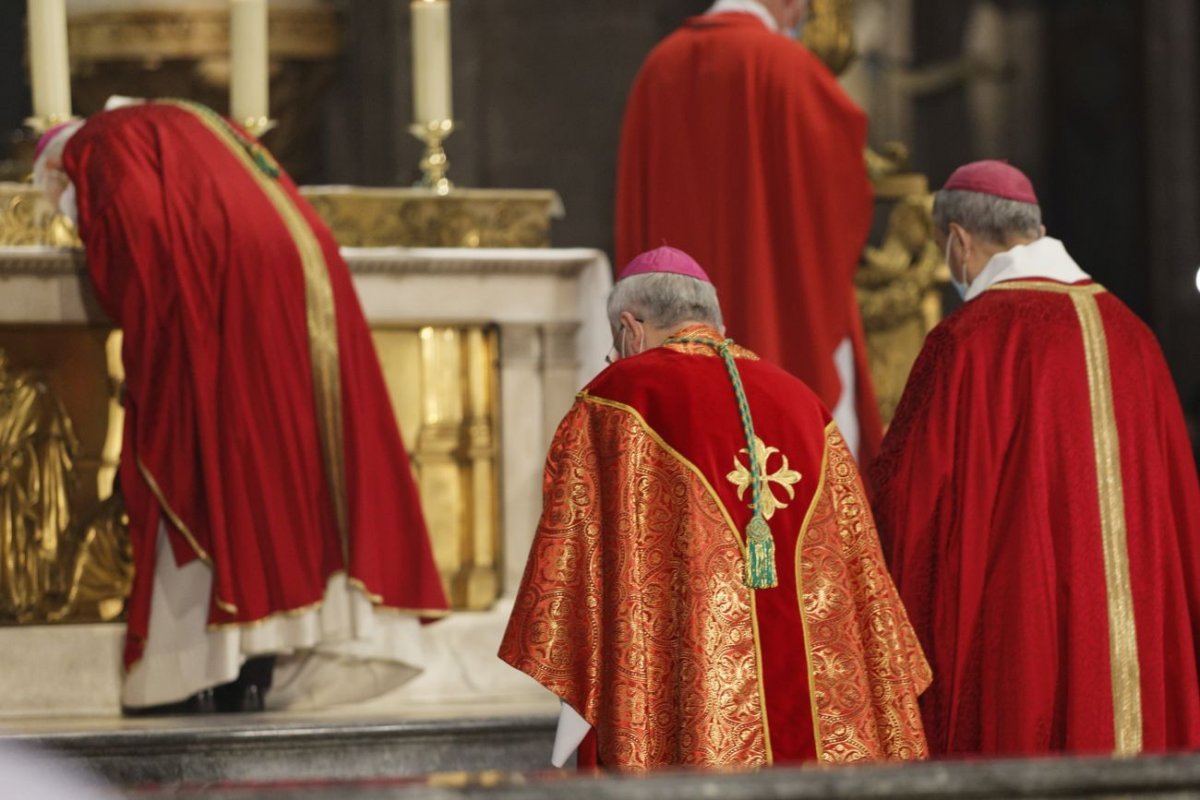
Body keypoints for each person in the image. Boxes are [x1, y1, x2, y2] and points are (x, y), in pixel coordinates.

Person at [32, 100, 449, 714]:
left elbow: (134, 232)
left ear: (59, 173)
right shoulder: (193, 123)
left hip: (221, 292)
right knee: (280, 472)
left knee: (207, 463)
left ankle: (192, 673)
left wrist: (147, 347)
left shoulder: (98, 143)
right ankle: (257, 666)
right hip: (291, 281)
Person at [499, 245, 930, 771]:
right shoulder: (804, 404)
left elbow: (574, 560)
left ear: (631, 329)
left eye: (616, 345)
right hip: (824, 735)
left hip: (695, 711)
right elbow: (865, 576)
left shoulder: (619, 398)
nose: (614, 359)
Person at [868, 160, 1200, 756]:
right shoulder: (1136, 339)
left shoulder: (968, 341)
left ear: (959, 241)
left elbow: (906, 502)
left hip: (1024, 634)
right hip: (1143, 641)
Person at [615, 0, 883, 463]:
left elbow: (633, 202)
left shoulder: (659, 66)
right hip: (775, 321)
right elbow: (840, 198)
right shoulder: (789, 66)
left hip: (670, 343)